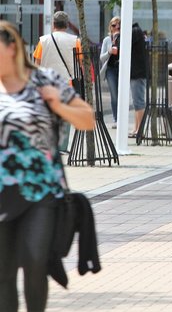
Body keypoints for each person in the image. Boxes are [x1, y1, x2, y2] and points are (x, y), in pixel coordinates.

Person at [0, 20, 95, 312]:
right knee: (2, 275)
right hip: (3, 194)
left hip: (41, 192)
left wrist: (58, 106)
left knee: (34, 260)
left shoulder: (44, 80)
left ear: (12, 47)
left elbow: (87, 119)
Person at [33, 11, 83, 152]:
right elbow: (80, 64)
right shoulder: (76, 41)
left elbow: (37, 64)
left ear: (53, 24)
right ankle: (62, 146)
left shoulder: (43, 41)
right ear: (67, 25)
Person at [99, 16, 121, 128]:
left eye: (119, 24)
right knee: (114, 95)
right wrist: (109, 52)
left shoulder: (125, 38)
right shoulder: (107, 40)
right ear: (110, 27)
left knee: (122, 94)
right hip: (111, 70)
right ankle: (116, 119)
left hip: (122, 69)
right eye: (114, 25)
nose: (117, 27)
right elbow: (102, 58)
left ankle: (122, 118)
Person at [129, 22, 148, 138]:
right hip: (136, 72)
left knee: (138, 101)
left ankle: (140, 129)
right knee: (136, 102)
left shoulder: (134, 31)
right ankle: (136, 128)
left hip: (137, 73)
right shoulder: (136, 31)